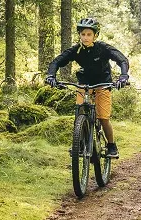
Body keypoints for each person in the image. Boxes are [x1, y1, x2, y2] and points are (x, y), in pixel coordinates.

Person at [44, 17, 130, 158]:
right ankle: (79, 142)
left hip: (103, 82)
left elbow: (122, 59)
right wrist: (51, 76)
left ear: (95, 35)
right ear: (79, 34)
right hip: (84, 83)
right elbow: (56, 62)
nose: (85, 37)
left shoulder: (103, 48)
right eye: (83, 34)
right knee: (80, 110)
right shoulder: (76, 50)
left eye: (89, 34)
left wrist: (123, 76)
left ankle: (111, 145)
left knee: (103, 118)